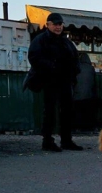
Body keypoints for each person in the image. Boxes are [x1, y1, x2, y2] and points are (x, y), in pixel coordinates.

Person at [27, 12, 83, 152]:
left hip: (65, 81)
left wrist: (74, 71)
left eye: (60, 24)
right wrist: (52, 68)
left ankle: (66, 140)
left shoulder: (66, 42)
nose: (58, 27)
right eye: (55, 24)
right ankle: (47, 141)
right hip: (49, 81)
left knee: (67, 111)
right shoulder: (40, 40)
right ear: (48, 25)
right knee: (50, 111)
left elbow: (75, 58)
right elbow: (34, 57)